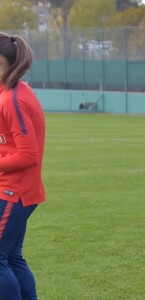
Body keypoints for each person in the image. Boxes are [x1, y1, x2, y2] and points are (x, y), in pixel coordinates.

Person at [0, 32, 45, 300]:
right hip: (17, 191)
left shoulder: (13, 99)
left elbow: (29, 155)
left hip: (13, 192)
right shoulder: (13, 90)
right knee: (12, 256)